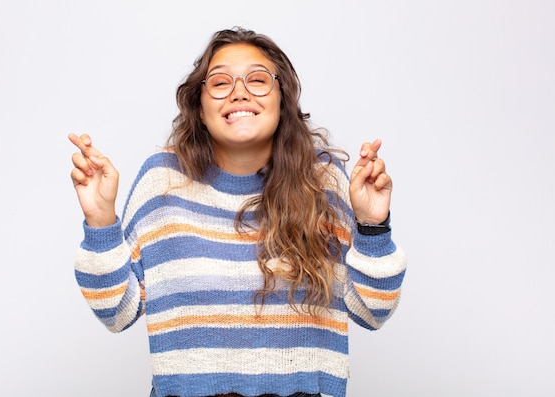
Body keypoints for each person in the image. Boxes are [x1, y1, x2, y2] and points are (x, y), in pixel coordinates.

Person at [68, 27, 406, 397]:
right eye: (220, 82)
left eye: (258, 79)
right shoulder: (161, 180)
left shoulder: (323, 182)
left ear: (283, 99)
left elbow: (373, 311)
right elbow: (117, 313)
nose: (239, 91)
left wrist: (373, 227)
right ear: (200, 104)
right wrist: (100, 220)